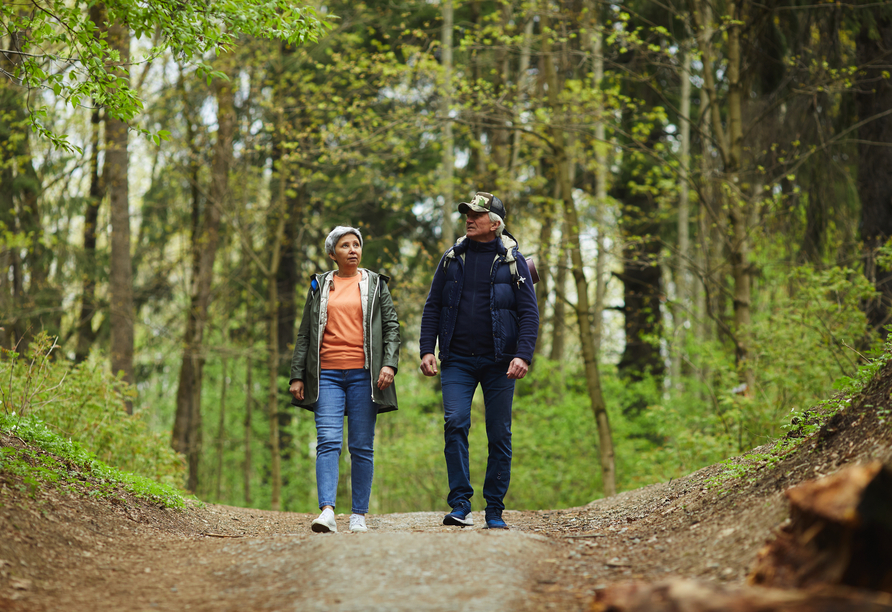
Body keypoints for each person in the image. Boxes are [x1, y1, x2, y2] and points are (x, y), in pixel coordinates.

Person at [419, 192, 539, 529]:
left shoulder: (514, 263)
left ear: (495, 223)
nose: (469, 219)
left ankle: (495, 510)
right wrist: (427, 349)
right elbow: (433, 306)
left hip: (501, 362)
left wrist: (523, 355)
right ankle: (460, 504)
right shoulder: (451, 259)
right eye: (467, 213)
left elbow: (529, 314)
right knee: (455, 422)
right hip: (456, 358)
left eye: (477, 214)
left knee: (499, 433)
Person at [289, 226, 400, 534]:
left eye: (356, 244)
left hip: (366, 377)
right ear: (332, 253)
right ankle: (326, 511)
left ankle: (358, 516)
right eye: (345, 245)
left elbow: (391, 327)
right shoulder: (320, 285)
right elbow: (304, 334)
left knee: (362, 446)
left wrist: (389, 364)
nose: (353, 250)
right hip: (326, 375)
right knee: (327, 442)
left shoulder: (376, 284)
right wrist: (298, 375)